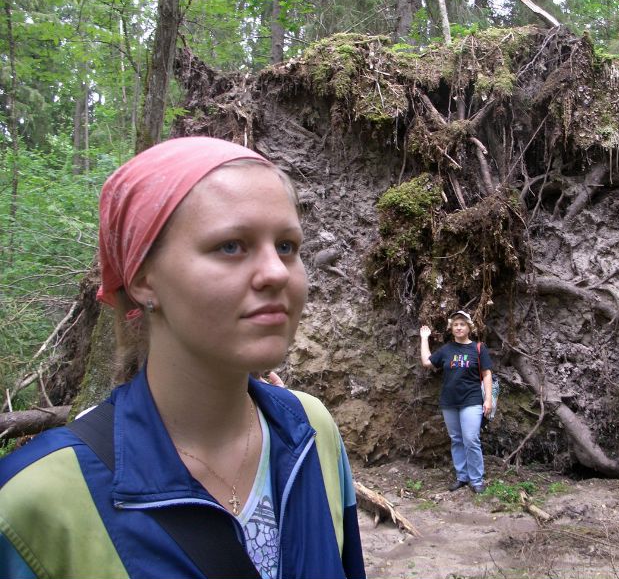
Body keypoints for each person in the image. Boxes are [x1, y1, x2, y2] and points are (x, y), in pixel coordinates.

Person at [0, 137, 365, 579]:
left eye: (287, 246)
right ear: (142, 280)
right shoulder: (31, 502)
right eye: (231, 245)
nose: (276, 272)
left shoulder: (312, 431)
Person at [419, 310, 493, 494]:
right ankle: (462, 477)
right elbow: (427, 362)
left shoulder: (478, 348)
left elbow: (486, 374)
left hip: (472, 400)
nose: (459, 327)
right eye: (455, 325)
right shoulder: (447, 349)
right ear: (451, 328)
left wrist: (489, 399)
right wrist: (424, 338)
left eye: (462, 324)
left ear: (469, 327)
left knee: (471, 439)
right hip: (449, 401)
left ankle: (476, 480)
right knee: (457, 439)